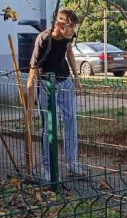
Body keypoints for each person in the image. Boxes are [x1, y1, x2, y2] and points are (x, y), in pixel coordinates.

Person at [27, 9, 85, 180]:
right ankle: (48, 168)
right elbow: (33, 71)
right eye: (70, 26)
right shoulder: (44, 40)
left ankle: (72, 163)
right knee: (50, 126)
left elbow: (69, 52)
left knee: (71, 120)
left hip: (65, 80)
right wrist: (30, 106)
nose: (73, 30)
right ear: (59, 25)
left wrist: (77, 79)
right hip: (47, 84)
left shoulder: (68, 37)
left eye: (75, 27)